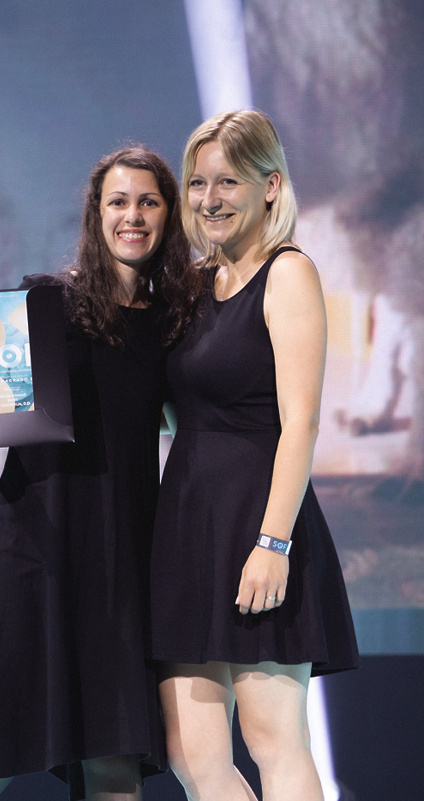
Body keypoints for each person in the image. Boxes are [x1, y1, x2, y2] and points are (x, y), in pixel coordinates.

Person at [0, 145, 198, 801]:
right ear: (95, 214)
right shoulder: (44, 301)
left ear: (169, 214)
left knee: (116, 756)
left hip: (124, 560)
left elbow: (184, 417)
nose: (133, 216)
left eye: (148, 202)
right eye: (118, 201)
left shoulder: (174, 322)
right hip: (34, 547)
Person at [149, 109, 360, 801]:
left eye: (228, 181)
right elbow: (177, 410)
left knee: (274, 739)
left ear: (270, 186)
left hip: (259, 523)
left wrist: (273, 542)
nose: (209, 198)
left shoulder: (288, 273)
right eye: (197, 182)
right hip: (188, 525)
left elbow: (301, 423)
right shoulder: (192, 287)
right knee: (192, 754)